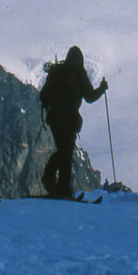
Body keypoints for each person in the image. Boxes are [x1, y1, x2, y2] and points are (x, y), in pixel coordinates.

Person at [40, 45, 107, 197]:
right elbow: (89, 97)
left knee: (66, 152)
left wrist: (101, 90)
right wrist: (101, 89)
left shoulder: (62, 73)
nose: (76, 62)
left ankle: (57, 183)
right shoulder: (78, 75)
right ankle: (57, 183)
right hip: (65, 119)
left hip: (61, 119)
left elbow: (88, 96)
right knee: (66, 151)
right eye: (76, 59)